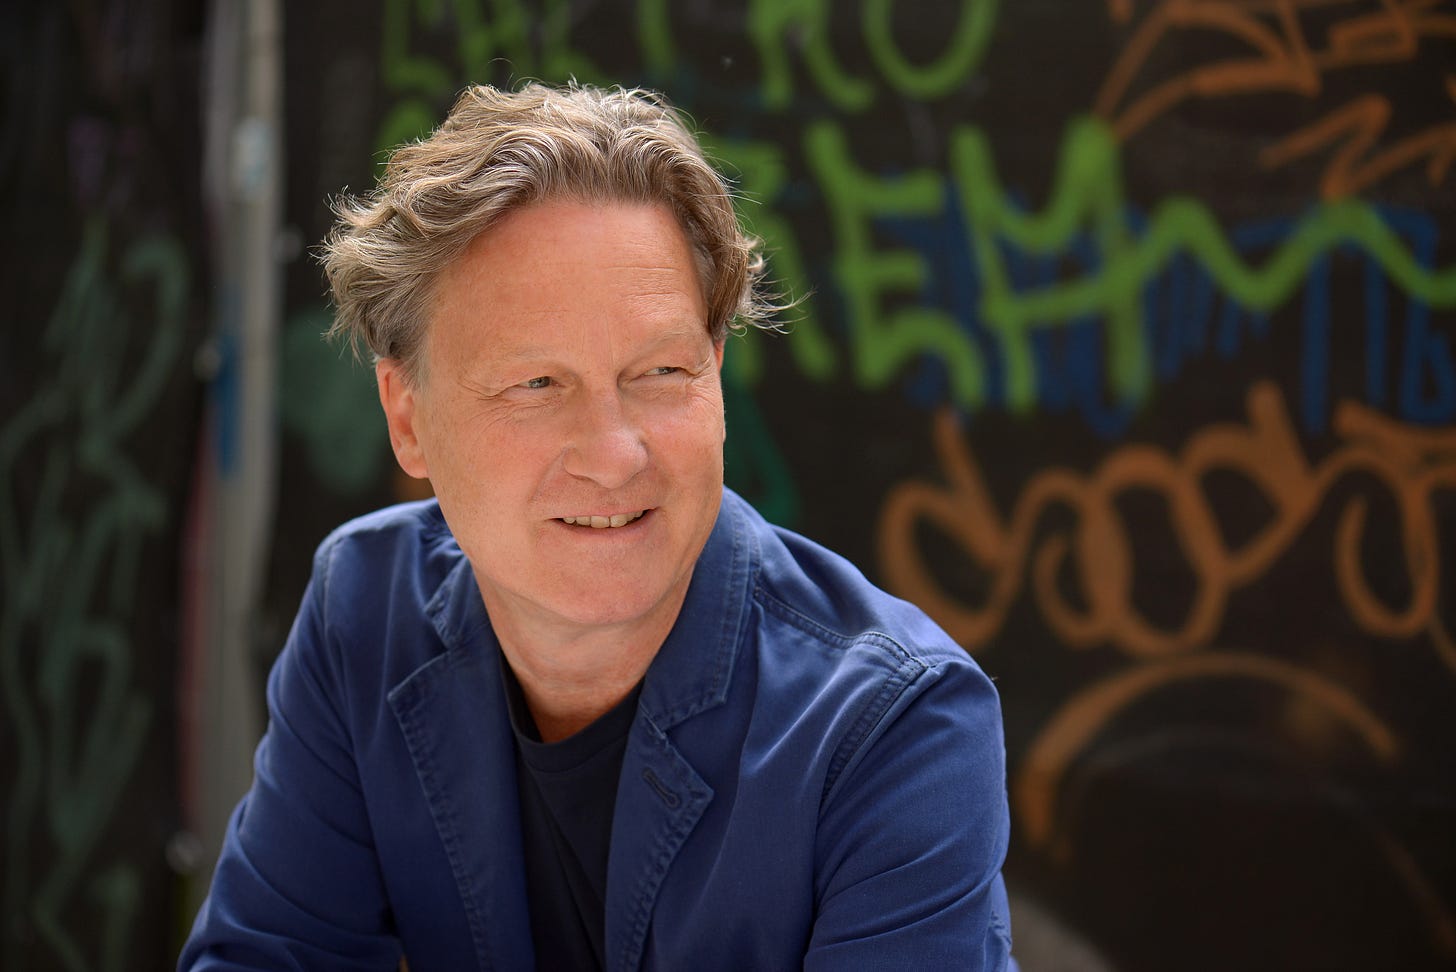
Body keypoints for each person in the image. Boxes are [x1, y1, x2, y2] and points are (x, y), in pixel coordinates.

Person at [180, 81, 1016, 971]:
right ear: (407, 417)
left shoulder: (896, 727)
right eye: (537, 384)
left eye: (661, 372)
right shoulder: (366, 612)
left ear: (716, 375)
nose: (615, 455)